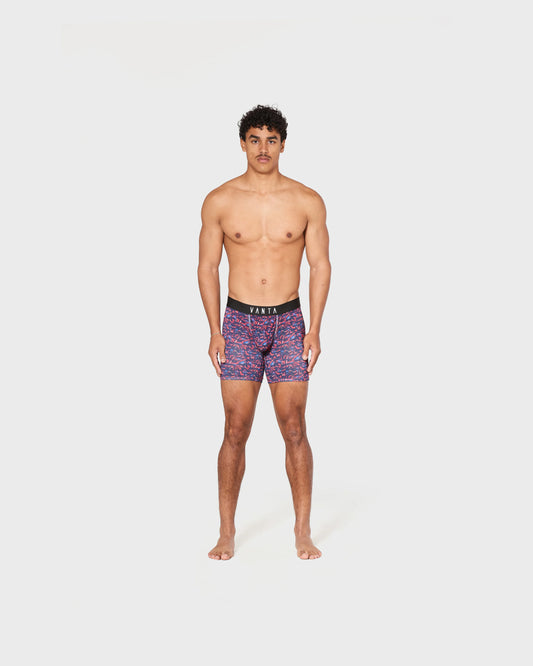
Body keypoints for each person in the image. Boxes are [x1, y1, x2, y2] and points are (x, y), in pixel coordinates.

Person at [197, 105, 331, 560]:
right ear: (243, 144)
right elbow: (207, 267)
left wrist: (315, 328)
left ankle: (302, 531)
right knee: (235, 427)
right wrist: (214, 330)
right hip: (238, 323)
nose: (263, 148)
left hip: (289, 323)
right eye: (255, 139)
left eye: (271, 140)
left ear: (283, 145)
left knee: (294, 426)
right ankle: (226, 532)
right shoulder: (219, 200)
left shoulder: (307, 200)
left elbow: (320, 265)